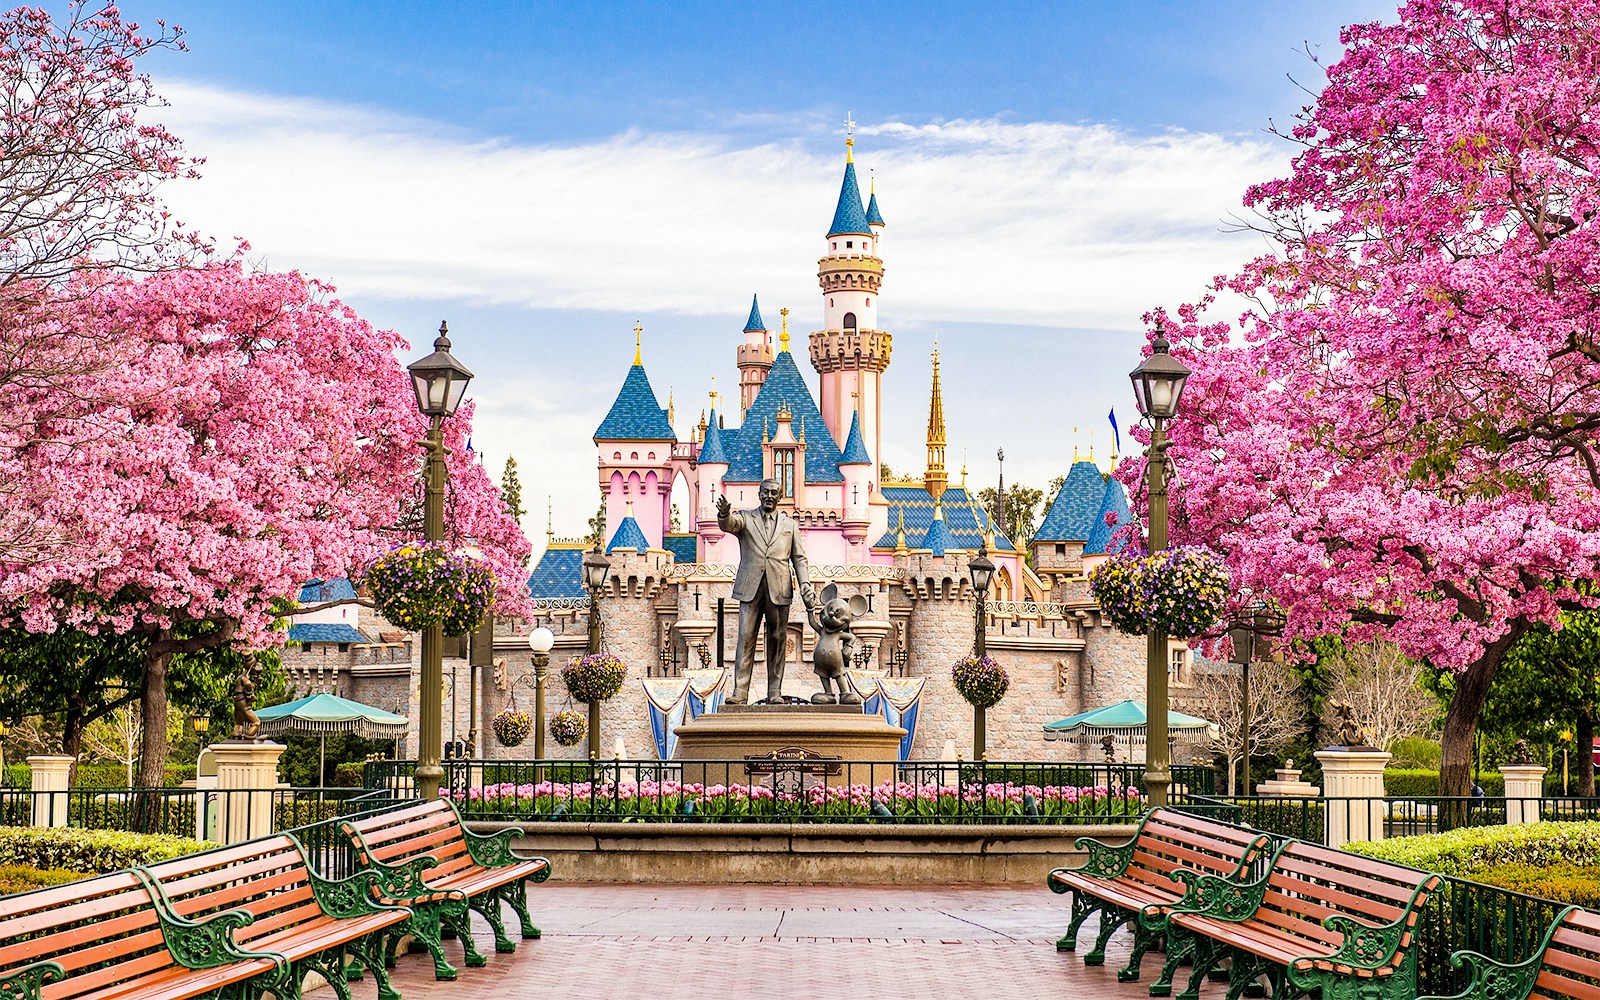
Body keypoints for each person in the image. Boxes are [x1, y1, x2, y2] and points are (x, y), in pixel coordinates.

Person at [716, 479, 817, 704]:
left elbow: (799, 558)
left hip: (779, 588)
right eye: (766, 492)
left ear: (780, 497)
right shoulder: (745, 519)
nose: (769, 496)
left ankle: (774, 692)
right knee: (745, 637)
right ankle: (740, 692)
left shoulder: (789, 525)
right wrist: (724, 515)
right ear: (759, 494)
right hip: (750, 587)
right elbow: (729, 524)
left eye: (774, 493)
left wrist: (805, 584)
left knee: (777, 639)